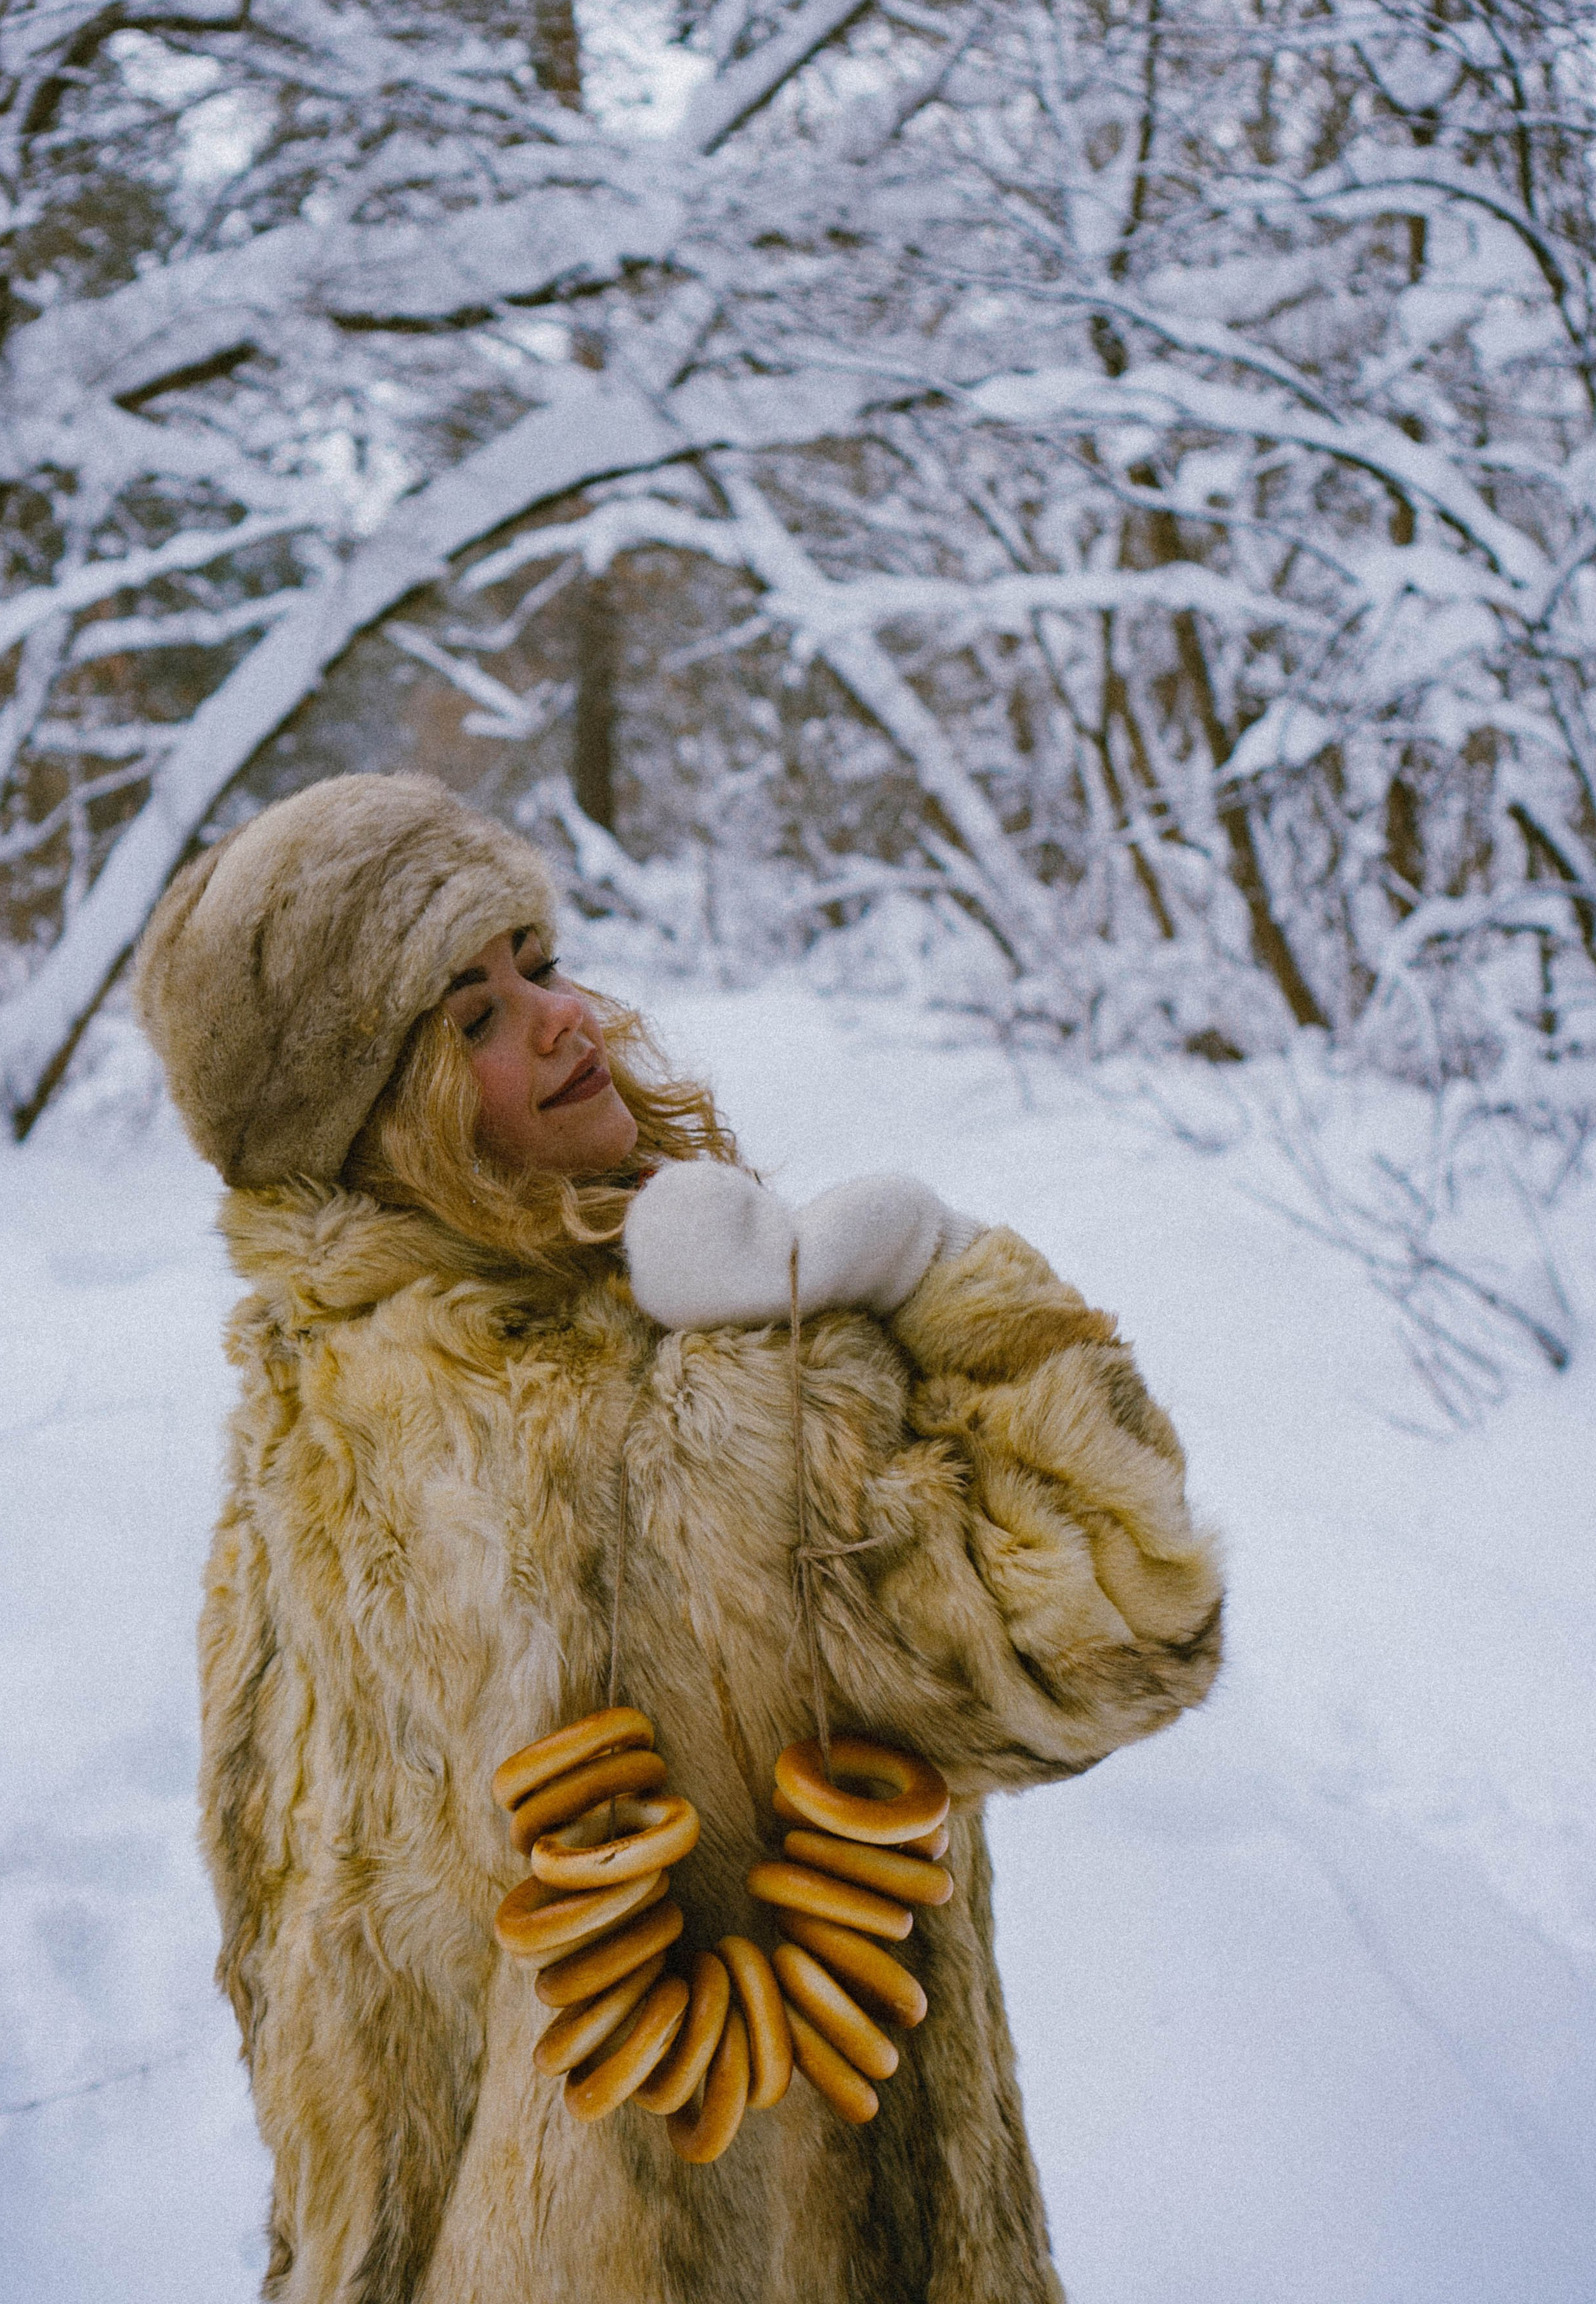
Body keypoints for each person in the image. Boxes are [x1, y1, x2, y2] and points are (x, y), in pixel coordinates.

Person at [133, 771, 1224, 2304]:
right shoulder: (709, 1394)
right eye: (468, 1019)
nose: (564, 1019)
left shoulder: (308, 1396)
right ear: (374, 1116)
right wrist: (944, 1274)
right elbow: (1124, 1616)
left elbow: (293, 1946)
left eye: (533, 956)